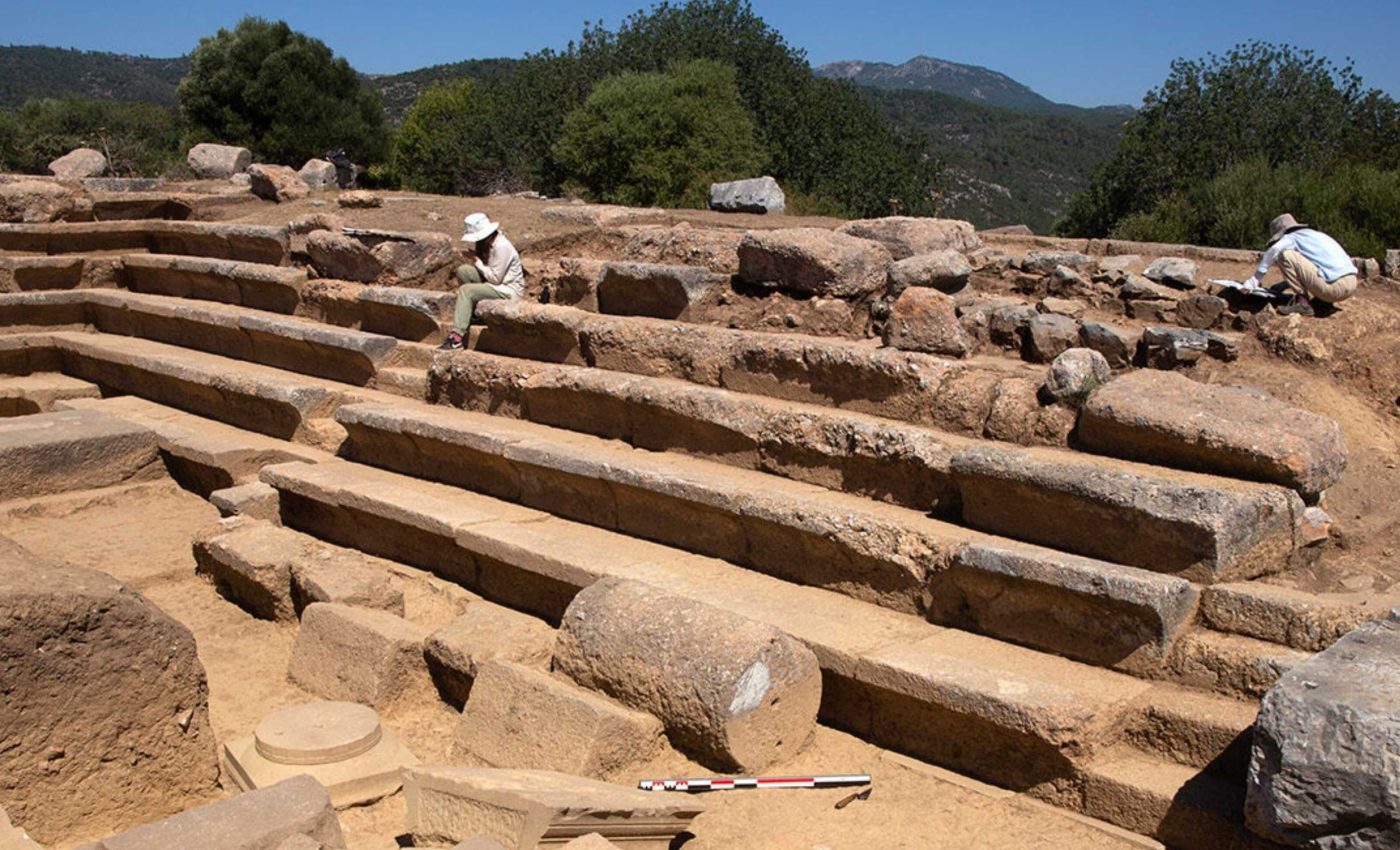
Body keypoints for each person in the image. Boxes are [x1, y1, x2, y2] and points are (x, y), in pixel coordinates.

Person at [1242, 213, 1358, 317]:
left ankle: (1303, 303)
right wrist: (1285, 284)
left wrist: (1254, 280)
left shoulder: (1291, 237)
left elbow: (1274, 250)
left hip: (1334, 289)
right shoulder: (1313, 236)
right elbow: (1313, 268)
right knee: (1302, 259)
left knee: (1284, 255)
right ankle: (1323, 302)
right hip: (1352, 283)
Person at [438, 212, 524, 350]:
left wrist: (476, 260)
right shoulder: (488, 243)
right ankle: (473, 315)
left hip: (507, 289)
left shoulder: (502, 246)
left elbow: (495, 279)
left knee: (466, 290)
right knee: (464, 271)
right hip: (495, 283)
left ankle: (456, 338)